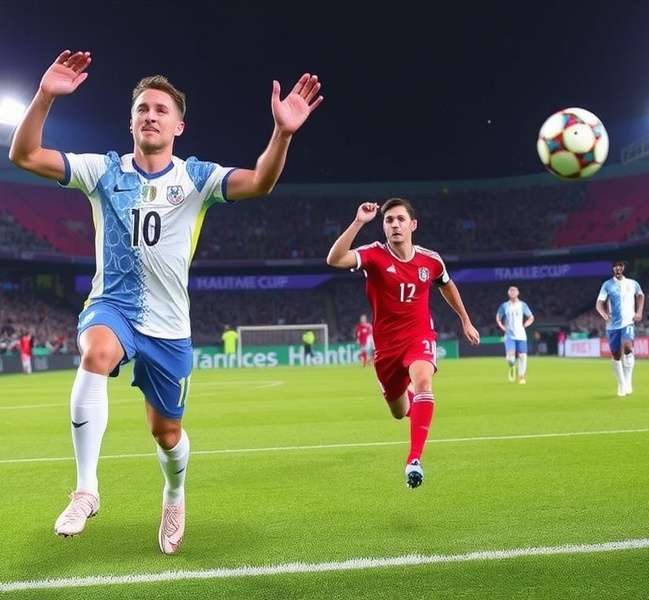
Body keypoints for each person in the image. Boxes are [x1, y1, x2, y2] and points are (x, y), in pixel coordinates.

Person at [9, 50, 322, 553]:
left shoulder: (196, 179)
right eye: (142, 109)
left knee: (167, 433)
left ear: (179, 124)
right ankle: (86, 489)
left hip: (170, 326)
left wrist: (282, 133)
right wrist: (45, 96)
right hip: (112, 306)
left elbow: (261, 182)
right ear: (129, 121)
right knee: (96, 352)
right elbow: (24, 156)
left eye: (160, 109)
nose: (150, 115)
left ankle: (174, 494)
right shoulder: (101, 171)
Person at [326, 198, 480, 488]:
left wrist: (465, 320)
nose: (394, 224)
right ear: (383, 226)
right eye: (389, 220)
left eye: (399, 219)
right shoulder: (373, 255)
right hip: (386, 349)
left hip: (419, 336)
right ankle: (415, 405)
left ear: (413, 225)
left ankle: (414, 460)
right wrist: (359, 221)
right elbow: (334, 259)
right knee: (399, 412)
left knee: (424, 383)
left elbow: (446, 284)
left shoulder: (431, 260)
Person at [595, 261, 644, 397]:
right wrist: (603, 313)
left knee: (628, 347)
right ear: (613, 268)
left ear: (623, 268)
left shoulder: (632, 283)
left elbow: (640, 295)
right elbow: (599, 303)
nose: (618, 268)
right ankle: (621, 384)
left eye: (620, 266)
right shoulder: (607, 285)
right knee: (616, 355)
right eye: (616, 266)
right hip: (612, 325)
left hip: (628, 321)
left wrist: (639, 312)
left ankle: (628, 382)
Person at [495, 286, 534, 384]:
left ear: (518, 292)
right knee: (510, 358)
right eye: (510, 290)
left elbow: (531, 317)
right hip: (509, 335)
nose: (512, 292)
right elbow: (498, 317)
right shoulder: (505, 306)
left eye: (514, 290)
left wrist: (525, 325)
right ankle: (512, 366)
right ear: (508, 293)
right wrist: (502, 327)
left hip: (521, 335)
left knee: (522, 356)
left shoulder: (522, 305)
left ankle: (521, 377)